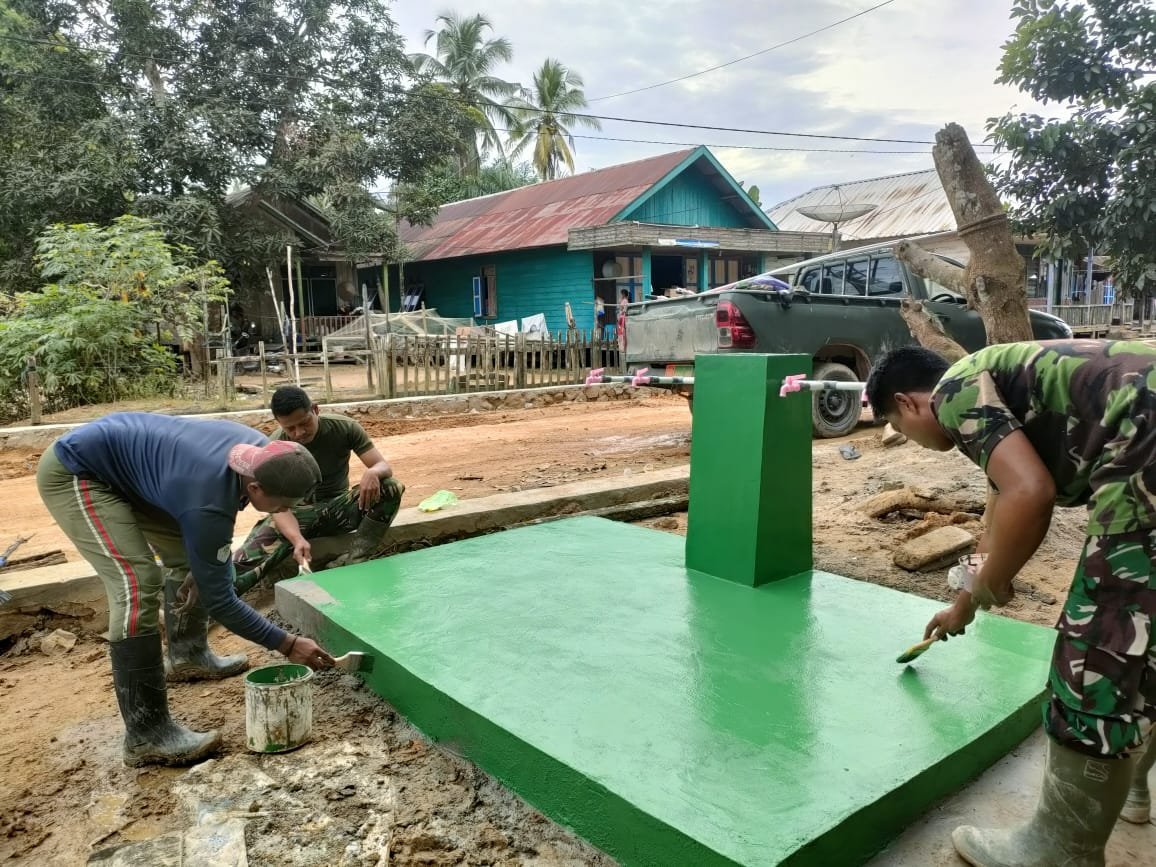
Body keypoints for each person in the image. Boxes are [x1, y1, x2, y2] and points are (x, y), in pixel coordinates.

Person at [865, 339, 1156, 864]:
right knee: (1147, 641)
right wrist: (965, 602)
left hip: (1148, 439)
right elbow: (1001, 507)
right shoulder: (999, 390)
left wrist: (988, 585)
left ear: (910, 403)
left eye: (898, 427)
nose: (908, 438)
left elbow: (1030, 494)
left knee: (1101, 645)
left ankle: (1060, 850)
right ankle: (1132, 784)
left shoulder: (955, 391)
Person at [36, 412, 334, 768]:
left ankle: (188, 656)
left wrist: (206, 567)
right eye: (283, 505)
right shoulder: (207, 498)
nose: (285, 512)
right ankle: (147, 734)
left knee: (188, 559)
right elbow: (220, 600)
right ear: (254, 488)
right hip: (79, 471)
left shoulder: (259, 454)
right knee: (137, 584)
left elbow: (213, 549)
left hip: (137, 471)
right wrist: (285, 643)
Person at [232, 386, 404, 594]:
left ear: (315, 409)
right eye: (290, 428)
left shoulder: (344, 428)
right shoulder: (274, 447)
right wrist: (297, 540)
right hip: (296, 514)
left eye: (304, 423)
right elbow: (278, 508)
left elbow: (383, 465)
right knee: (245, 560)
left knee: (391, 487)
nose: (299, 433)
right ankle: (221, 599)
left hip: (338, 508)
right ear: (279, 424)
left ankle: (354, 559)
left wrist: (374, 472)